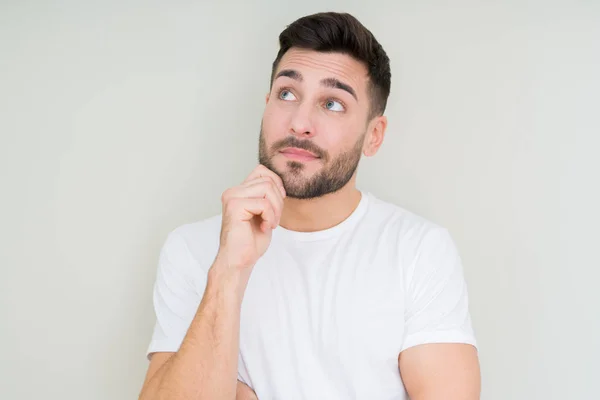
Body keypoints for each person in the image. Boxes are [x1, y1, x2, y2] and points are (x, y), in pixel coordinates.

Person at [138, 12, 480, 400]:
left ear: (374, 135)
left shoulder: (418, 250)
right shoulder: (193, 249)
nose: (300, 122)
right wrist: (229, 272)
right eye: (287, 94)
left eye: (332, 103)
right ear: (266, 106)